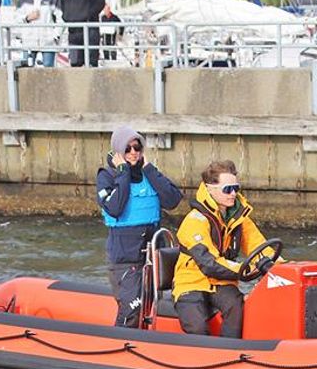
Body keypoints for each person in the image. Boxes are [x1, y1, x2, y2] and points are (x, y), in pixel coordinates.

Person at [173, 160, 275, 338]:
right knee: (196, 326)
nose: (233, 193)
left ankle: (232, 352)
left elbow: (259, 245)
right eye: (227, 189)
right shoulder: (195, 221)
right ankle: (205, 357)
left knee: (236, 306)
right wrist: (247, 269)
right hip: (190, 282)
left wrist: (281, 266)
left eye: (236, 188)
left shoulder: (238, 219)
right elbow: (209, 264)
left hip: (221, 283)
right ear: (210, 188)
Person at [96, 126, 183, 328]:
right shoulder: (106, 176)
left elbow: (172, 200)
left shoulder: (148, 174)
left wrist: (150, 170)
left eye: (137, 147)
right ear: (118, 150)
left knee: (149, 308)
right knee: (132, 309)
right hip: (126, 257)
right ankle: (119, 347)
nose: (134, 152)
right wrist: (123, 172)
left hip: (153, 255)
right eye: (128, 149)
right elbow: (115, 207)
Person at [14, 0, 63, 67]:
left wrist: (55, 35)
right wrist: (27, 18)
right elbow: (16, 19)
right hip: (29, 41)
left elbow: (61, 17)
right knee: (26, 71)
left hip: (47, 41)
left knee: (48, 70)